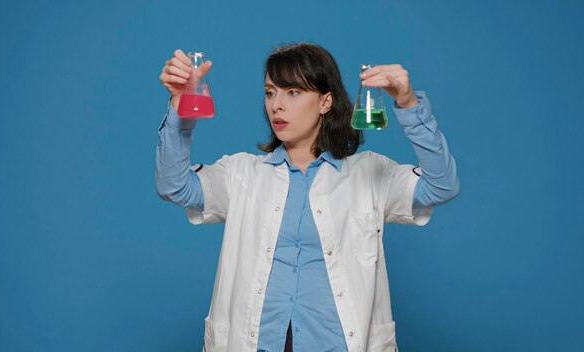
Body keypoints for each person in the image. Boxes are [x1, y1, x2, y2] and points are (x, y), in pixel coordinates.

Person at [155, 43, 459, 352]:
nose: (277, 105)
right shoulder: (241, 174)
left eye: (293, 92)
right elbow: (174, 186)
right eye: (271, 92)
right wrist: (180, 103)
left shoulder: (369, 174)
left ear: (326, 102)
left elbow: (441, 186)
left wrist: (408, 104)